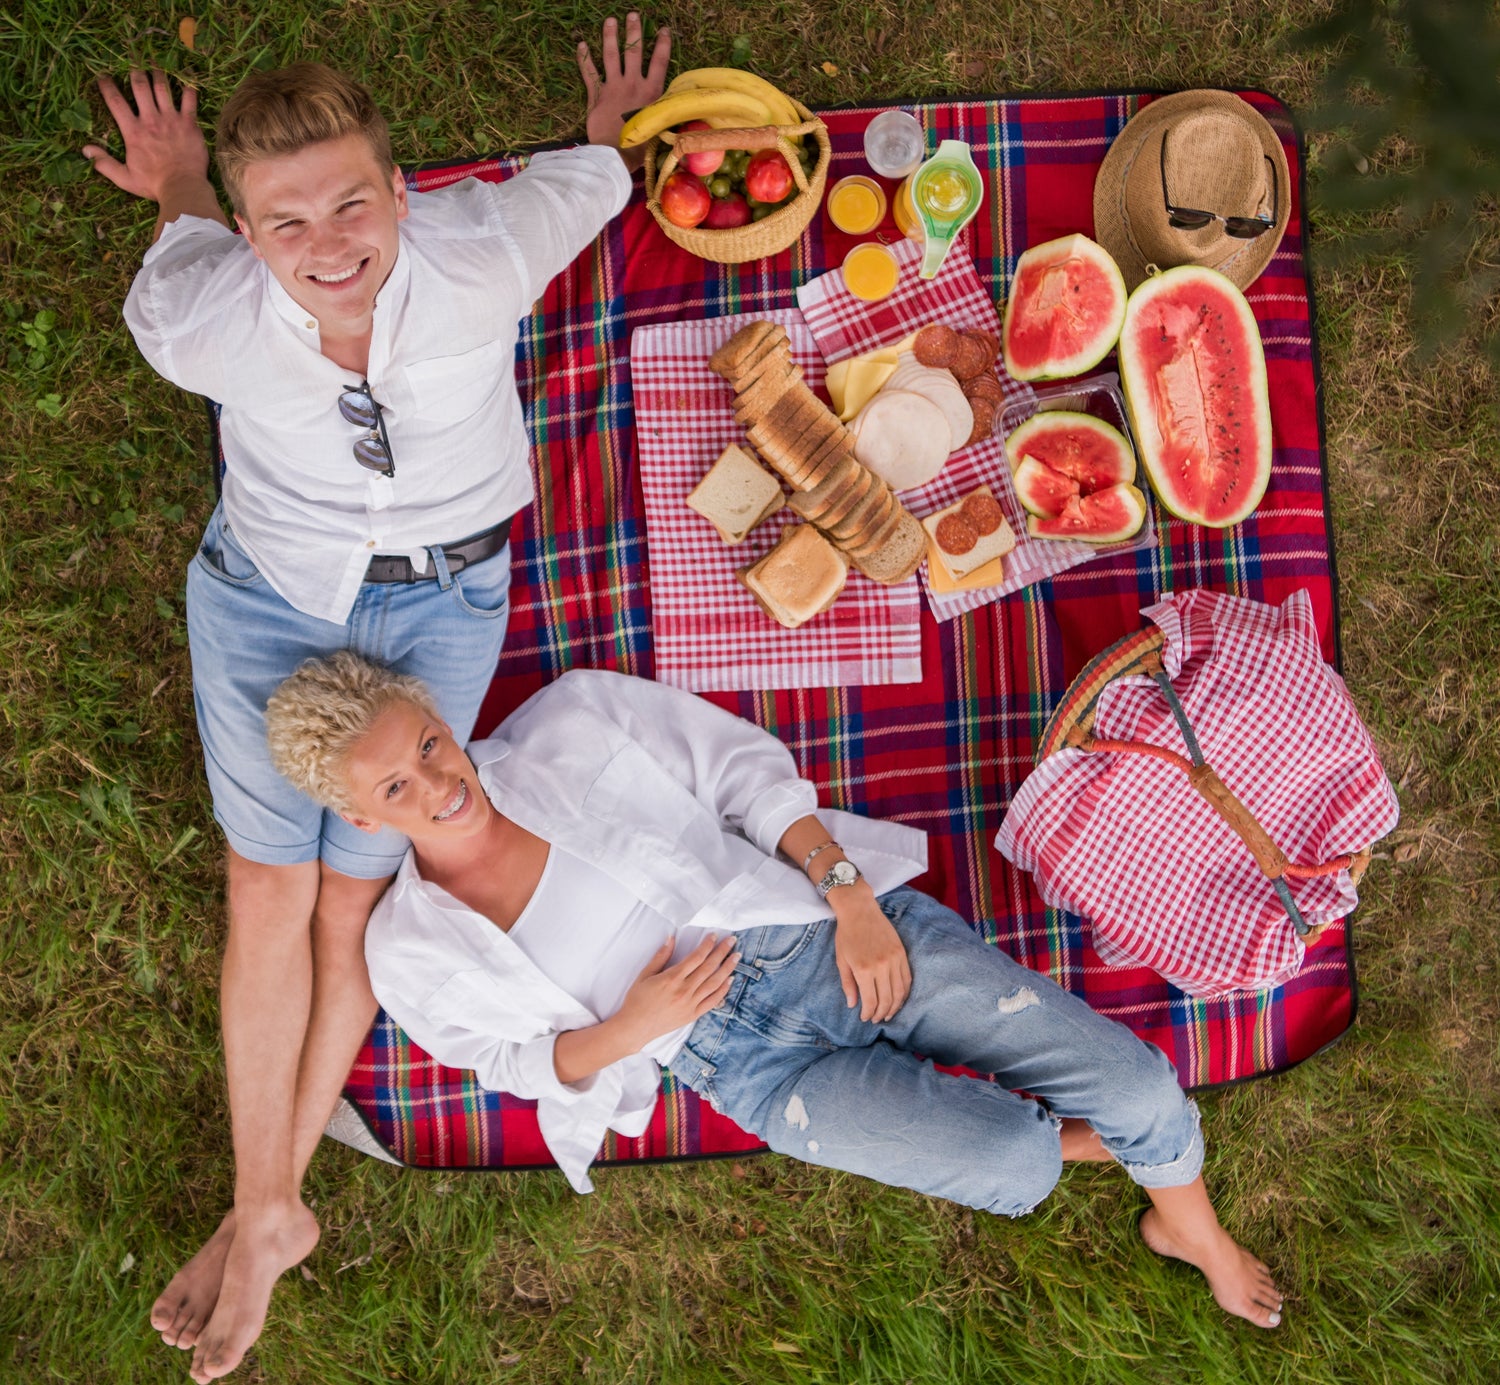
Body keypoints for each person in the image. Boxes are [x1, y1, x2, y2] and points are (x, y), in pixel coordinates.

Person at [82, 15, 671, 1382]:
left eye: (354, 200)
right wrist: (173, 183)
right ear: (245, 231)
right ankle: (267, 1202)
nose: (330, 239)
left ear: (406, 190)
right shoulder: (196, 321)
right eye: (284, 220)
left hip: (441, 595)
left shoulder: (478, 254)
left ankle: (267, 1209)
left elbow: (589, 186)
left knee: (355, 891)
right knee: (268, 889)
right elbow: (179, 247)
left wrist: (607, 129)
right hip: (267, 598)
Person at [265, 652, 1287, 1334]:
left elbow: (747, 779)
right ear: (357, 818)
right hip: (739, 1062)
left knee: (1146, 1088)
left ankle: (1190, 1226)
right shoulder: (405, 946)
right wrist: (631, 1028)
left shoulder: (570, 718)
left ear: (441, 718)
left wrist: (850, 898)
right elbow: (513, 1064)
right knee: (1007, 1159)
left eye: (428, 745)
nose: (438, 783)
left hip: (809, 937)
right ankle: (1070, 1139)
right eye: (395, 786)